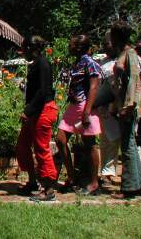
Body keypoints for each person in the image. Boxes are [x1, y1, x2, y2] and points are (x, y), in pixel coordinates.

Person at [55, 34, 102, 195]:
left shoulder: (90, 63)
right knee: (60, 140)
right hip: (73, 106)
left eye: (73, 45)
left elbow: (94, 87)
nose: (70, 47)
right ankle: (72, 177)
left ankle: (94, 182)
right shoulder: (78, 63)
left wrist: (87, 111)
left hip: (84, 106)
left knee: (90, 144)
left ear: (80, 47)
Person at [15, 36, 58, 201]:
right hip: (35, 112)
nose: (22, 52)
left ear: (30, 48)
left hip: (44, 110)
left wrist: (28, 110)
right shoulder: (35, 64)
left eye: (23, 49)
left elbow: (42, 91)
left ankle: (48, 188)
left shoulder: (43, 64)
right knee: (23, 146)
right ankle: (32, 182)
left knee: (41, 148)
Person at [109, 22, 141, 199]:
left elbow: (133, 80)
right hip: (123, 104)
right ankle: (139, 185)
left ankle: (130, 187)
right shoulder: (124, 53)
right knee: (130, 143)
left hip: (129, 106)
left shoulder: (130, 54)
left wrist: (128, 105)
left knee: (128, 146)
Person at [97, 32, 122, 189]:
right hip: (105, 107)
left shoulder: (127, 59)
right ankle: (106, 173)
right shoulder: (103, 62)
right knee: (106, 140)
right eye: (104, 44)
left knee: (123, 140)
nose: (105, 47)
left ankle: (129, 174)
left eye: (108, 43)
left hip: (122, 106)